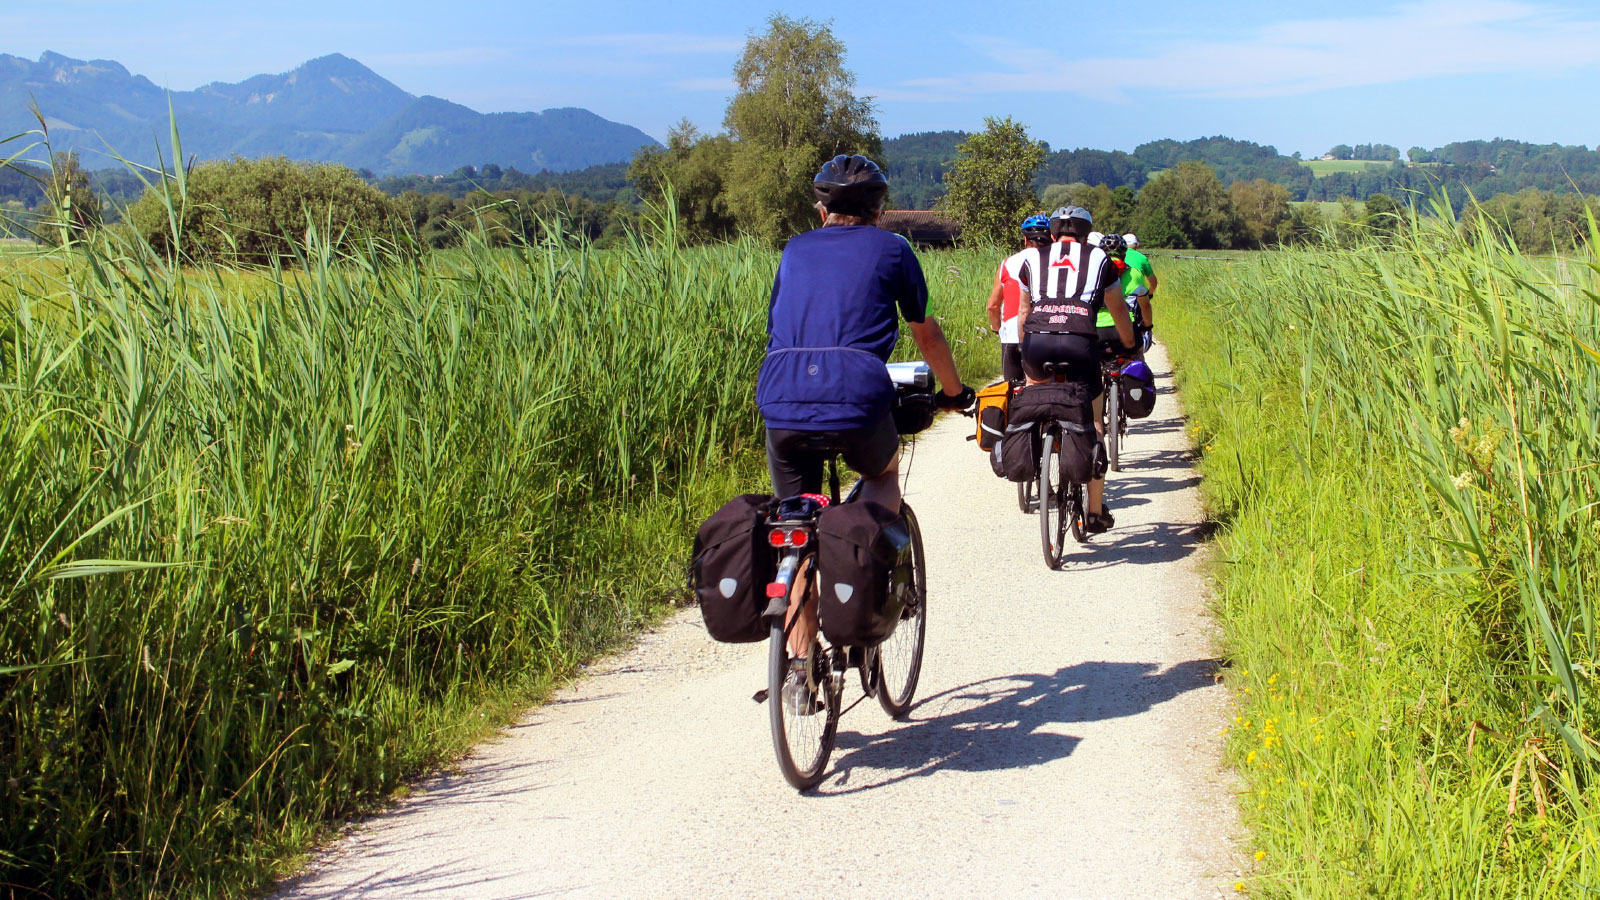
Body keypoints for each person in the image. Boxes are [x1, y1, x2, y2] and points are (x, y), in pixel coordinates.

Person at [756, 153, 973, 681]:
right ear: (880, 209)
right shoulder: (894, 249)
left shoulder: (794, 249)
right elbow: (927, 335)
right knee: (881, 474)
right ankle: (865, 596)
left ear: (821, 207)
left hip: (781, 394)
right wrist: (954, 392)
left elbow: (781, 325)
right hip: (857, 394)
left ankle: (802, 667)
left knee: (794, 519)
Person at [1015, 206, 1135, 533]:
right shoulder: (1100, 260)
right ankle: (1095, 512)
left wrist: (1025, 350)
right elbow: (1118, 309)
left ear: (1052, 235)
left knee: (1034, 401)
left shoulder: (1033, 259)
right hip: (1079, 345)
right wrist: (1129, 343)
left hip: (1037, 344)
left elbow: (1023, 314)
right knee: (1094, 421)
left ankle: (1039, 450)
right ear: (1085, 235)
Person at [985, 214, 1052, 383]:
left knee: (1010, 388)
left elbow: (993, 306)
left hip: (1012, 335)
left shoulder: (1007, 263)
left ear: (1025, 239)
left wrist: (997, 328)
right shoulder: (1056, 264)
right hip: (1045, 336)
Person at [1122, 233, 1157, 350]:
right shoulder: (1141, 258)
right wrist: (1150, 293)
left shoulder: (1113, 257)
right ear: (1136, 245)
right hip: (1136, 296)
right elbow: (1153, 282)